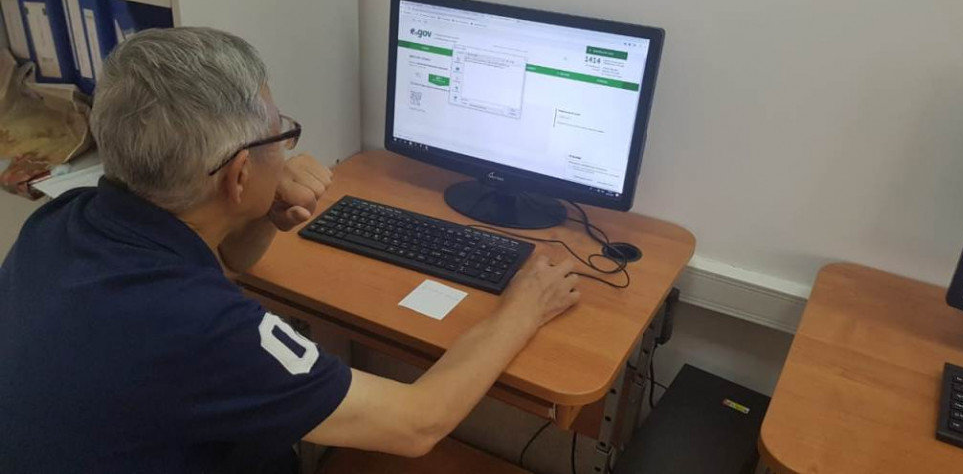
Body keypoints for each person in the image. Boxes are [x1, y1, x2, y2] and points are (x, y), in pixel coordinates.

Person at [0, 27, 580, 473]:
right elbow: (417, 424)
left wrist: (260, 214)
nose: (289, 151)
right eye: (281, 134)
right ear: (239, 174)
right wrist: (523, 308)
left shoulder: (61, 221)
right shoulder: (202, 330)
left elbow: (217, 269)